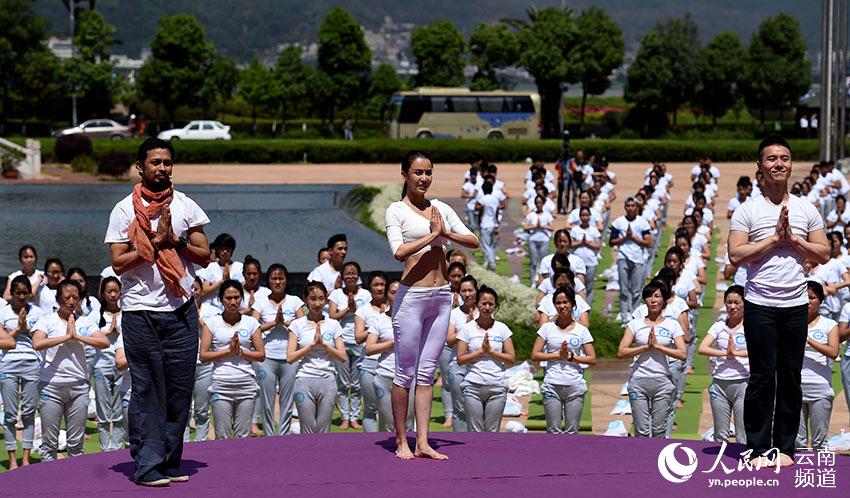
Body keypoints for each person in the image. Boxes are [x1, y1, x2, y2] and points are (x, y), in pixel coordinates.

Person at [105, 137, 211, 486]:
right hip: (140, 312)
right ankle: (147, 465)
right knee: (149, 388)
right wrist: (152, 244)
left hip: (180, 309)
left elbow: (203, 254)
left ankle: (168, 461)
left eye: (167, 162)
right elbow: (119, 263)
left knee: (180, 389)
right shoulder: (123, 210)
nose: (162, 168)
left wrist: (174, 241)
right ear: (141, 167)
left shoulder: (185, 205)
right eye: (155, 162)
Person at [728, 134, 829, 467]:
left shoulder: (805, 208)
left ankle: (785, 449)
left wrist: (794, 239)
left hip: (796, 306)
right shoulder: (748, 211)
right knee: (761, 377)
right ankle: (757, 448)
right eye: (771, 159)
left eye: (784, 158)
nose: (778, 164)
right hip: (760, 305)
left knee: (790, 376)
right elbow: (735, 253)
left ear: (791, 164)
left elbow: (824, 252)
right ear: (760, 166)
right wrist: (773, 239)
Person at [384, 150, 478, 459]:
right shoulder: (396, 210)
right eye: (418, 172)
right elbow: (398, 252)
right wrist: (432, 237)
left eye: (428, 172)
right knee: (405, 373)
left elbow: (472, 240)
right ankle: (401, 441)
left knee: (426, 374)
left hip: (441, 299)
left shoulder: (440, 208)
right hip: (412, 297)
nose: (424, 178)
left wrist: (445, 232)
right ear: (405, 175)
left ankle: (423, 441)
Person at [32, 280, 109, 460]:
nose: (72, 301)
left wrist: (77, 336)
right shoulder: (47, 320)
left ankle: (75, 485)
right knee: (49, 444)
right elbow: (37, 343)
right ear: (59, 298)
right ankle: (48, 483)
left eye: (76, 297)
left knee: (76, 445)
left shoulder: (85, 321)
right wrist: (66, 337)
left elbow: (103, 342)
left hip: (79, 387)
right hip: (51, 386)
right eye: (67, 297)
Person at [618, 281, 686, 438]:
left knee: (659, 430)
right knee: (641, 430)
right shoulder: (635, 324)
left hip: (662, 381)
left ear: (664, 300)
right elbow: (621, 352)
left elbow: (683, 354)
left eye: (657, 296)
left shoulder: (672, 324)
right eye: (649, 296)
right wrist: (644, 348)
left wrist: (658, 347)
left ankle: (655, 461)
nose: (653, 300)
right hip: (638, 381)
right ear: (644, 300)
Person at [200, 280, 265, 439]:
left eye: (236, 297)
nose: (233, 301)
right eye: (228, 298)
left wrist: (240, 352)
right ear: (221, 299)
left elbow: (261, 355)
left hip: (246, 385)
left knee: (243, 435)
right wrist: (228, 350)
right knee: (222, 435)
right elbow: (203, 356)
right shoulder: (212, 323)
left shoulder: (251, 323)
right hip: (221, 385)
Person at [532, 286, 595, 434]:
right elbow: (535, 355)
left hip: (574, 385)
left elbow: (592, 359)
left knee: (572, 431)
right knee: (553, 431)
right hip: (552, 384)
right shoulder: (547, 328)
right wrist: (557, 356)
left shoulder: (582, 330)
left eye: (565, 302)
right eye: (558, 303)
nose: (562, 306)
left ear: (573, 304)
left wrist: (572, 358)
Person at [287, 281, 347, 434]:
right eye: (313, 298)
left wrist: (325, 345)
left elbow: (342, 357)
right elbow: (290, 357)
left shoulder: (333, 325)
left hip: (328, 379)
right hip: (304, 379)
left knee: (323, 428)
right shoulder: (297, 325)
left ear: (326, 300)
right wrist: (312, 345)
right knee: (307, 428)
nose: (317, 303)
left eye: (321, 298)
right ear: (305, 299)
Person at [251, 263, 304, 436]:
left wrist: (286, 323)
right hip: (267, 357)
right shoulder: (260, 303)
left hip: (289, 357)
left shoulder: (295, 301)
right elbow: (253, 328)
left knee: (287, 399)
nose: (278, 281)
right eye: (274, 278)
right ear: (268, 281)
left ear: (286, 280)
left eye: (281, 278)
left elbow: (303, 327)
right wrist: (274, 323)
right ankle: (269, 435)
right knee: (267, 399)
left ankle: (283, 436)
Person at [456, 286, 515, 432]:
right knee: (474, 431)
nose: (487, 307)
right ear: (477, 305)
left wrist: (492, 352)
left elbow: (511, 358)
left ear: (495, 306)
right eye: (484, 303)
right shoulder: (467, 329)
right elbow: (460, 359)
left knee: (492, 431)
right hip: (472, 386)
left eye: (491, 304)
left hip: (497, 386)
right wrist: (481, 351)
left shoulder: (502, 329)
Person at [0, 275, 45, 468]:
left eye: (25, 293)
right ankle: (12, 459)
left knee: (28, 412)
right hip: (8, 364)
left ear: (30, 293)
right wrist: (19, 328)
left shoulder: (38, 312)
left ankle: (26, 458)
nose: (21, 297)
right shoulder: (2, 311)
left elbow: (38, 339)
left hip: (31, 364)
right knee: (10, 414)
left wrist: (27, 328)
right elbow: (4, 339)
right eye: (17, 293)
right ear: (11, 293)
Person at [698, 285, 749, 444]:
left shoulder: (751, 327)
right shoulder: (718, 326)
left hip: (743, 383)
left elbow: (761, 350)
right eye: (729, 302)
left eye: (737, 302)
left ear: (744, 304)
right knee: (721, 433)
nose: (732, 306)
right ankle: (721, 465)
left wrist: (736, 354)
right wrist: (724, 353)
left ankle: (743, 463)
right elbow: (702, 348)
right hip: (719, 383)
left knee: (742, 433)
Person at [328, 261, 372, 430]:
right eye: (347, 273)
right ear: (342, 276)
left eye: (354, 273)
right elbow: (331, 317)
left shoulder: (366, 294)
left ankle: (354, 417)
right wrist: (348, 309)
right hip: (341, 343)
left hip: (360, 343)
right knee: (343, 383)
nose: (351, 276)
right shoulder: (336, 295)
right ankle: (344, 417)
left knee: (356, 383)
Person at [366, 280, 415, 432]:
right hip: (385, 375)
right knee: (388, 422)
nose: (397, 295)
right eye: (393, 292)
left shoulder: (414, 319)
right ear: (387, 296)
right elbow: (369, 348)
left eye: (401, 292)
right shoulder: (379, 320)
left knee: (408, 420)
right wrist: (392, 344)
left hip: (409, 376)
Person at [796, 281, 839, 451]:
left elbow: (833, 351)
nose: (808, 302)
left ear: (820, 300)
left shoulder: (829, 325)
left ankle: (819, 475)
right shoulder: (791, 323)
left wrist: (808, 339)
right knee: (797, 441)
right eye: (804, 297)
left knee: (819, 442)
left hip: (820, 388)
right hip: (795, 388)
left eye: (812, 298)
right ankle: (795, 476)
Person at [92, 277, 127, 451]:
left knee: (120, 407)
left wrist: (118, 330)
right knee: (103, 408)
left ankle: (118, 445)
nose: (113, 295)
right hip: (102, 363)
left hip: (122, 363)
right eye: (109, 291)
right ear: (103, 294)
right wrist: (107, 331)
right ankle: (106, 448)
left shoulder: (127, 312)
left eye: (116, 291)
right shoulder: (96, 314)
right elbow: (91, 337)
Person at [354, 272, 390, 433]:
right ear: (369, 287)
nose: (379, 288)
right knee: (370, 408)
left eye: (382, 284)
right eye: (376, 285)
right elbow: (358, 337)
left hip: (390, 364)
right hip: (368, 364)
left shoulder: (394, 308)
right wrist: (376, 326)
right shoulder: (363, 311)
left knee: (388, 408)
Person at [610, 197, 652, 321]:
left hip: (638, 258)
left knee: (637, 290)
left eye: (633, 206)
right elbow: (611, 242)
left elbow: (648, 242)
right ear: (625, 207)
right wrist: (624, 239)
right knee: (623, 289)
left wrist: (633, 238)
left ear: (637, 207)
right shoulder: (618, 222)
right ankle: (624, 317)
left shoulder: (643, 222)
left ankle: (634, 316)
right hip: (623, 257)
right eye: (628, 206)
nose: (630, 208)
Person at [446, 275, 478, 432]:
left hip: (477, 366)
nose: (467, 294)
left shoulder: (485, 311)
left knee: (475, 408)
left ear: (476, 291)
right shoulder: (454, 314)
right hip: (457, 365)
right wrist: (467, 326)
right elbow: (449, 341)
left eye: (470, 290)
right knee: (459, 408)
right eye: (463, 291)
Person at [570, 207, 602, 306]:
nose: (584, 217)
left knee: (589, 285)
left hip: (590, 262)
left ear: (590, 217)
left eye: (586, 215)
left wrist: (588, 243)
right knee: (577, 285)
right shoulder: (575, 229)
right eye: (582, 215)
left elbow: (598, 245)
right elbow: (570, 244)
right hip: (577, 263)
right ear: (580, 217)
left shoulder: (594, 230)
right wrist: (580, 242)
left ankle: (587, 306)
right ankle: (577, 305)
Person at [525, 195, 555, 284]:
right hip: (533, 240)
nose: (538, 204)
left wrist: (542, 226)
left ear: (543, 203)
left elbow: (552, 227)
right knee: (533, 261)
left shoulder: (547, 215)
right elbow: (525, 227)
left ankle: (543, 281)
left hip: (544, 239)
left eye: (540, 203)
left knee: (543, 262)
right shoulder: (531, 215)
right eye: (537, 203)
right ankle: (533, 281)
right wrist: (535, 227)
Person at [476, 181, 504, 271]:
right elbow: (497, 213)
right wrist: (497, 225)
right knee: (491, 245)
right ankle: (489, 262)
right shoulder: (495, 200)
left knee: (486, 246)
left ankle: (492, 264)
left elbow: (479, 210)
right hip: (493, 223)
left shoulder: (483, 199)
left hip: (485, 224)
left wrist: (479, 220)